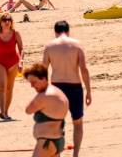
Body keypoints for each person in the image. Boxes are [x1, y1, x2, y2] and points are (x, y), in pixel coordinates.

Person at [42, 20, 92, 157]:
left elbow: (43, 70)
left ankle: (57, 153)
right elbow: (84, 69)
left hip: (57, 88)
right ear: (68, 31)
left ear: (55, 32)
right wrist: (88, 91)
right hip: (75, 86)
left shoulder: (49, 46)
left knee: (56, 123)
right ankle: (75, 154)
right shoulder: (76, 45)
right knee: (77, 123)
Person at [24, 63, 68, 157]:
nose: (32, 86)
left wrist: (38, 96)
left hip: (47, 142)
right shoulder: (57, 92)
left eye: (34, 82)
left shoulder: (44, 96)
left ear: (43, 78)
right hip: (55, 140)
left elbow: (28, 110)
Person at [0, 13, 24, 120]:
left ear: (11, 22)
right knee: (2, 86)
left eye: (9, 20)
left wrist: (21, 61)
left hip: (14, 62)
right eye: (4, 20)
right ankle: (2, 112)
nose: (7, 22)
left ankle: (6, 112)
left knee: (9, 88)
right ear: (0, 23)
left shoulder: (16, 34)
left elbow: (22, 49)